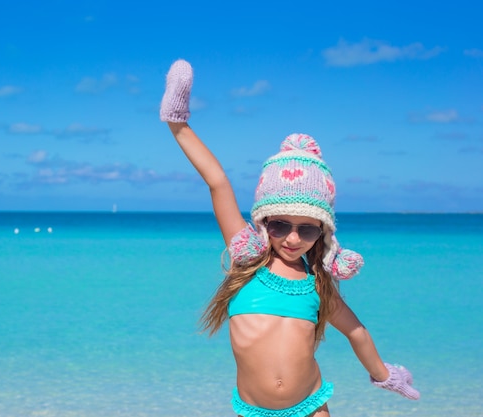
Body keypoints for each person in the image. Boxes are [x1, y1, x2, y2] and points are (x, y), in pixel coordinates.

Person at [159, 59, 420, 417]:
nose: (293, 238)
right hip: (253, 410)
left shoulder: (318, 287)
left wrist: (385, 375)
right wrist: (178, 124)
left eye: (307, 228)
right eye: (280, 225)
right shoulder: (247, 260)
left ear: (323, 233)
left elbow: (356, 332)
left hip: (311, 406)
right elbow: (217, 181)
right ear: (264, 222)